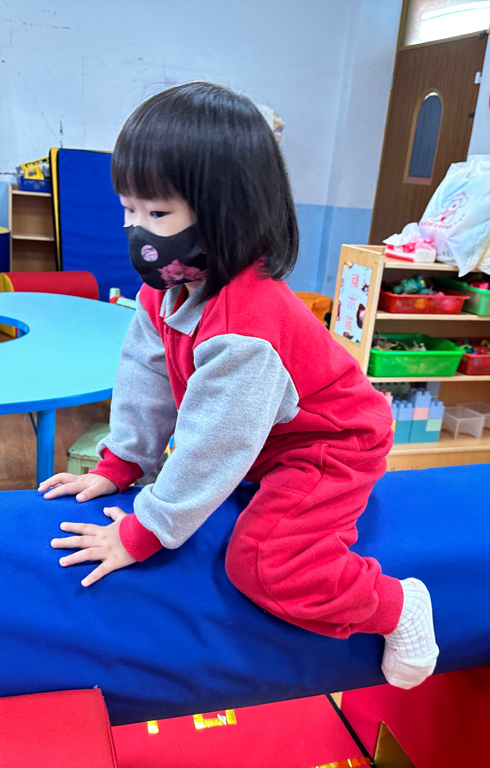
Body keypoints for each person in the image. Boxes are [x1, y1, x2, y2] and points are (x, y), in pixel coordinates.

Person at [39, 82, 438, 689]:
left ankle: (396, 605)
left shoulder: (246, 325)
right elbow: (146, 380)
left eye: (158, 214)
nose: (138, 231)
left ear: (226, 212)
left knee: (266, 563)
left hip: (328, 444)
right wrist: (122, 464)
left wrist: (144, 532)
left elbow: (215, 443)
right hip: (264, 440)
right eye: (129, 211)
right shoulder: (164, 292)